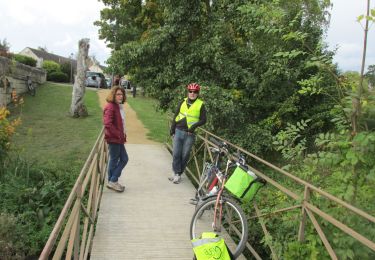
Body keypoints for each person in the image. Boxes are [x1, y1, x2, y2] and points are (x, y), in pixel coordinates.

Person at [169, 83, 207, 184]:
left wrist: (194, 127)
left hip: (190, 134)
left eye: (195, 92)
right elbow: (176, 115)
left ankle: (178, 173)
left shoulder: (200, 104)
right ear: (188, 92)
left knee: (185, 155)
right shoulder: (182, 101)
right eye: (190, 91)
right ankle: (176, 173)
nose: (192, 93)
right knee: (176, 153)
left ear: (198, 93)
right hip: (178, 130)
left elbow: (204, 120)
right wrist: (172, 129)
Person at [103, 86, 129, 192]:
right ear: (113, 95)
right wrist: (118, 134)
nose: (120, 96)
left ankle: (112, 181)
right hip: (114, 139)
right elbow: (107, 123)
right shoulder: (111, 106)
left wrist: (122, 134)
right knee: (119, 159)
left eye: (122, 94)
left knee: (122, 159)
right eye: (118, 94)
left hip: (118, 138)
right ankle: (113, 181)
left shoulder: (118, 106)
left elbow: (120, 123)